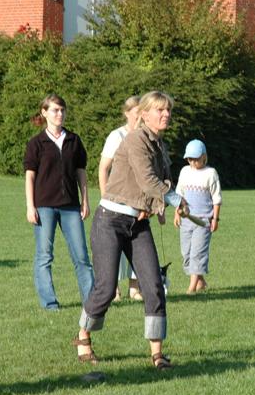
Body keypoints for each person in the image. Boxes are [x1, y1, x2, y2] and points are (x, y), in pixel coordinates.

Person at [74, 91, 190, 370]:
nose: (166, 114)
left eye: (168, 110)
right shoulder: (136, 140)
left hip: (138, 224)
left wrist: (157, 206)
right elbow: (148, 180)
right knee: (105, 289)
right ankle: (83, 337)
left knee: (154, 285)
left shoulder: (160, 144)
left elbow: (160, 181)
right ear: (145, 114)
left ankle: (157, 355)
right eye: (160, 110)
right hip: (110, 221)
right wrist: (176, 200)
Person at [23, 94, 94, 310]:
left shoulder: (74, 140)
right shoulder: (36, 143)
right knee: (44, 256)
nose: (60, 114)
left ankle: (92, 303)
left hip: (71, 206)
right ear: (44, 112)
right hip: (44, 206)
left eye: (62, 110)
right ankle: (50, 303)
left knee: (82, 256)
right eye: (55, 110)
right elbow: (30, 176)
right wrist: (30, 206)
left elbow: (81, 172)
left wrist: (85, 201)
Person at [98, 96, 143, 302]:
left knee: (137, 244)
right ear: (127, 113)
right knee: (113, 246)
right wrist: (105, 196)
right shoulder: (116, 136)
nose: (140, 117)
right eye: (136, 113)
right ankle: (114, 290)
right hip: (116, 200)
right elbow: (103, 168)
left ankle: (135, 288)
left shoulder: (145, 136)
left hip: (138, 201)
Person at [174, 139, 222, 294]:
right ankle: (201, 282)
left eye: (196, 159)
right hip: (186, 220)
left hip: (203, 221)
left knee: (197, 253)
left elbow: (216, 199)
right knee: (186, 253)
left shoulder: (210, 173)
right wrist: (177, 214)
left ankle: (192, 288)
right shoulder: (185, 171)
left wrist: (215, 219)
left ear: (204, 157)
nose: (193, 162)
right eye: (190, 159)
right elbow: (179, 195)